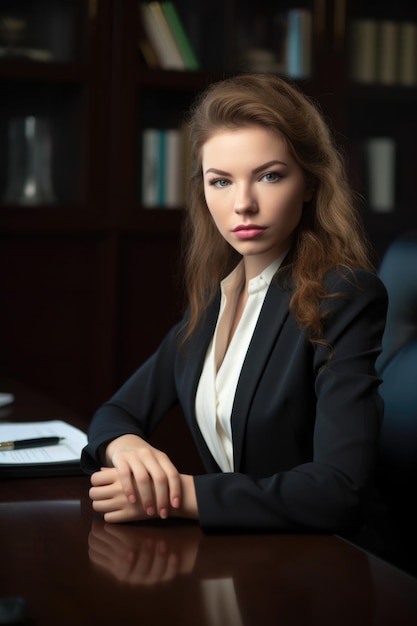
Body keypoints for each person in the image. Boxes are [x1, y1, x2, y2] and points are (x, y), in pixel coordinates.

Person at [82, 74, 388, 542]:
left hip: (324, 569)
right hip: (238, 556)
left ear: (309, 183)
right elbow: (118, 410)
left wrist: (174, 496)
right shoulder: (215, 302)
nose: (243, 204)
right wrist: (126, 448)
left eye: (269, 176)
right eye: (221, 181)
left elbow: (339, 490)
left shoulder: (343, 296)